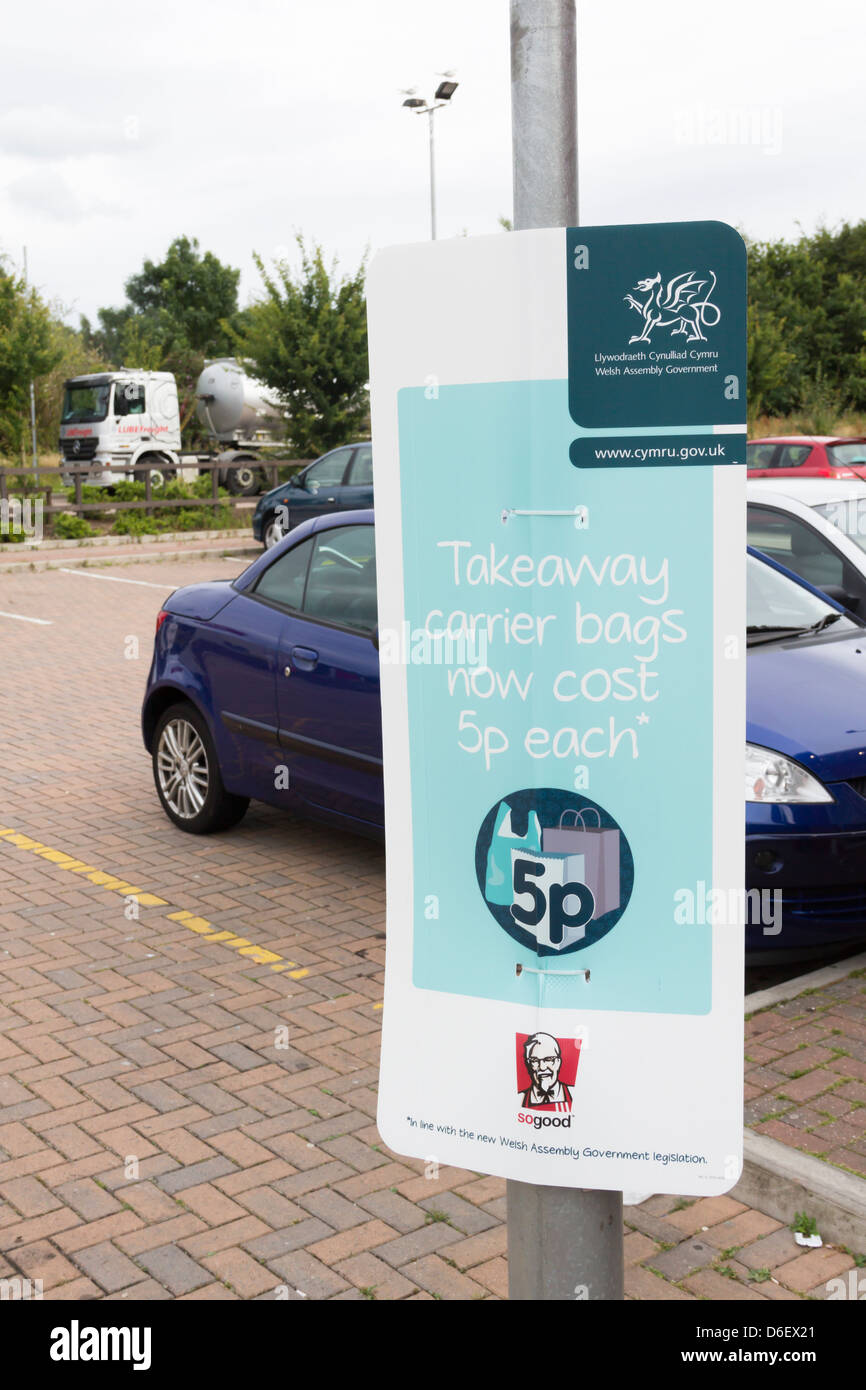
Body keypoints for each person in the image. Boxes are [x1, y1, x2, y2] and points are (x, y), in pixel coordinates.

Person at [520, 1032, 572, 1111]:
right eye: (535, 1060)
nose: (542, 1067)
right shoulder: (519, 1098)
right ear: (528, 1064)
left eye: (549, 1059)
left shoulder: (574, 1094)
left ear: (558, 1062)